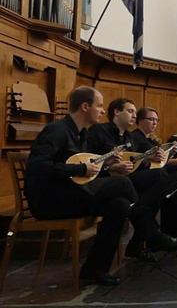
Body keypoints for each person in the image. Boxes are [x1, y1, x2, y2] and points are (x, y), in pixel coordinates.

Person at [24, 87, 137, 286]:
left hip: (72, 195)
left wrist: (104, 166)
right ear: (85, 106)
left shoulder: (80, 134)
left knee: (118, 205)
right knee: (123, 182)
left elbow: (83, 172)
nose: (103, 111)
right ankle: (147, 228)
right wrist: (80, 168)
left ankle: (94, 269)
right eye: (100, 106)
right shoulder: (57, 130)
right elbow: (38, 167)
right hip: (50, 201)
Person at [87, 98, 177, 260]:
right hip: (105, 183)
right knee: (156, 181)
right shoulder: (99, 131)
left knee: (160, 182)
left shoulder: (128, 138)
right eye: (130, 111)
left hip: (125, 181)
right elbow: (89, 161)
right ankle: (157, 235)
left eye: (135, 112)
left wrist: (150, 159)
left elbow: (135, 164)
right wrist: (109, 167)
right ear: (117, 112)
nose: (134, 115)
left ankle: (151, 237)